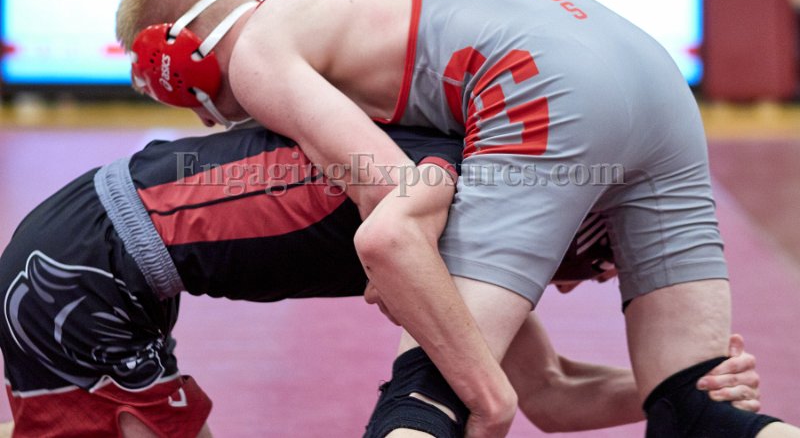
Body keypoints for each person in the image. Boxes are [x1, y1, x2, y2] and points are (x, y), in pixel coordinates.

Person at [115, 0, 798, 437]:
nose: (200, 119)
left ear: (177, 58)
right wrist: (653, 378)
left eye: (169, 93)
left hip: (541, 86)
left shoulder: (259, 53)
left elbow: (396, 195)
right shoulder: (344, 6)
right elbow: (549, 393)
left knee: (432, 397)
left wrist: (405, 287)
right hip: (663, 88)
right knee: (697, 409)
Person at [0, 123, 758, 438]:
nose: (564, 289)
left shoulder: (484, 220)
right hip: (88, 261)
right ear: (568, 218)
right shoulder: (460, 189)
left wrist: (679, 389)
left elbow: (548, 391)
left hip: (112, 255)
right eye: (588, 267)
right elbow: (389, 249)